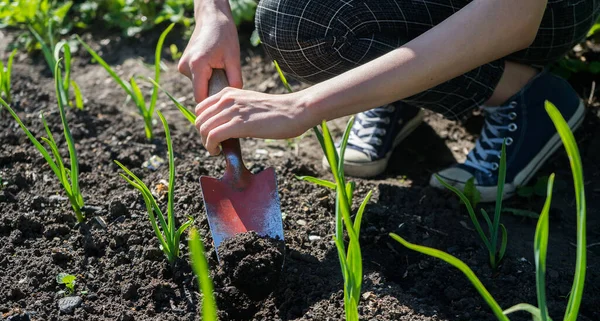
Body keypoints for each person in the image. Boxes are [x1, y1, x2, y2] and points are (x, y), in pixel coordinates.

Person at [178, 0, 598, 201]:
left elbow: (512, 17)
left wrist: (303, 106)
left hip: (544, 11)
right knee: (296, 19)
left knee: (302, 25)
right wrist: (212, 12)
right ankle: (392, 81)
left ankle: (529, 95)